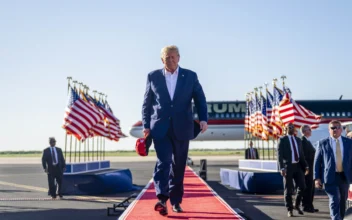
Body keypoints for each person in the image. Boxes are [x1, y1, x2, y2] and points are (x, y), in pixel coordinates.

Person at [142, 45, 208, 216]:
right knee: (163, 162)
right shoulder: (153, 76)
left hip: (182, 127)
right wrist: (146, 126)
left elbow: (200, 99)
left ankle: (176, 201)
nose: (170, 60)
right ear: (161, 59)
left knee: (178, 166)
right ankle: (162, 199)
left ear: (179, 57)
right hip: (160, 128)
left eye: (173, 57)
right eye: (167, 57)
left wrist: (203, 119)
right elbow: (147, 104)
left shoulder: (190, 76)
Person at [314, 120, 352, 220]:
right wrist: (317, 178)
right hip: (330, 177)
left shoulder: (349, 142)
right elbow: (317, 162)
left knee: (343, 201)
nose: (335, 130)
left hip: (344, 176)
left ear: (341, 129)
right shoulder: (322, 143)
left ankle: (341, 217)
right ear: (329, 130)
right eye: (332, 128)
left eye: (337, 127)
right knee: (335, 199)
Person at [277, 123, 309, 217]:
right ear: (285, 129)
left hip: (298, 166)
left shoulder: (298, 140)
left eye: (292, 127)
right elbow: (279, 155)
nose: (290, 128)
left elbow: (301, 155)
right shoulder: (282, 140)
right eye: (288, 127)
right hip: (288, 167)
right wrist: (282, 168)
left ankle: (296, 204)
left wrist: (306, 166)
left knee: (302, 187)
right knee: (288, 189)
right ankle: (289, 209)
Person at [300, 125, 319, 213]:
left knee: (311, 188)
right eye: (309, 130)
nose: (311, 131)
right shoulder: (302, 141)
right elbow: (304, 156)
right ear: (304, 131)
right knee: (307, 188)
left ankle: (310, 205)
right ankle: (306, 206)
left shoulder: (307, 141)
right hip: (307, 169)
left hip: (311, 167)